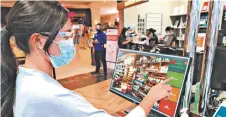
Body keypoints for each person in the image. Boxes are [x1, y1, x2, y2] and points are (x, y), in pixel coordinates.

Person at [1, 1, 172, 117]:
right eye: (65, 35)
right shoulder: (46, 94)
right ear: (38, 41)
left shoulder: (24, 77)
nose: (70, 42)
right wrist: (149, 100)